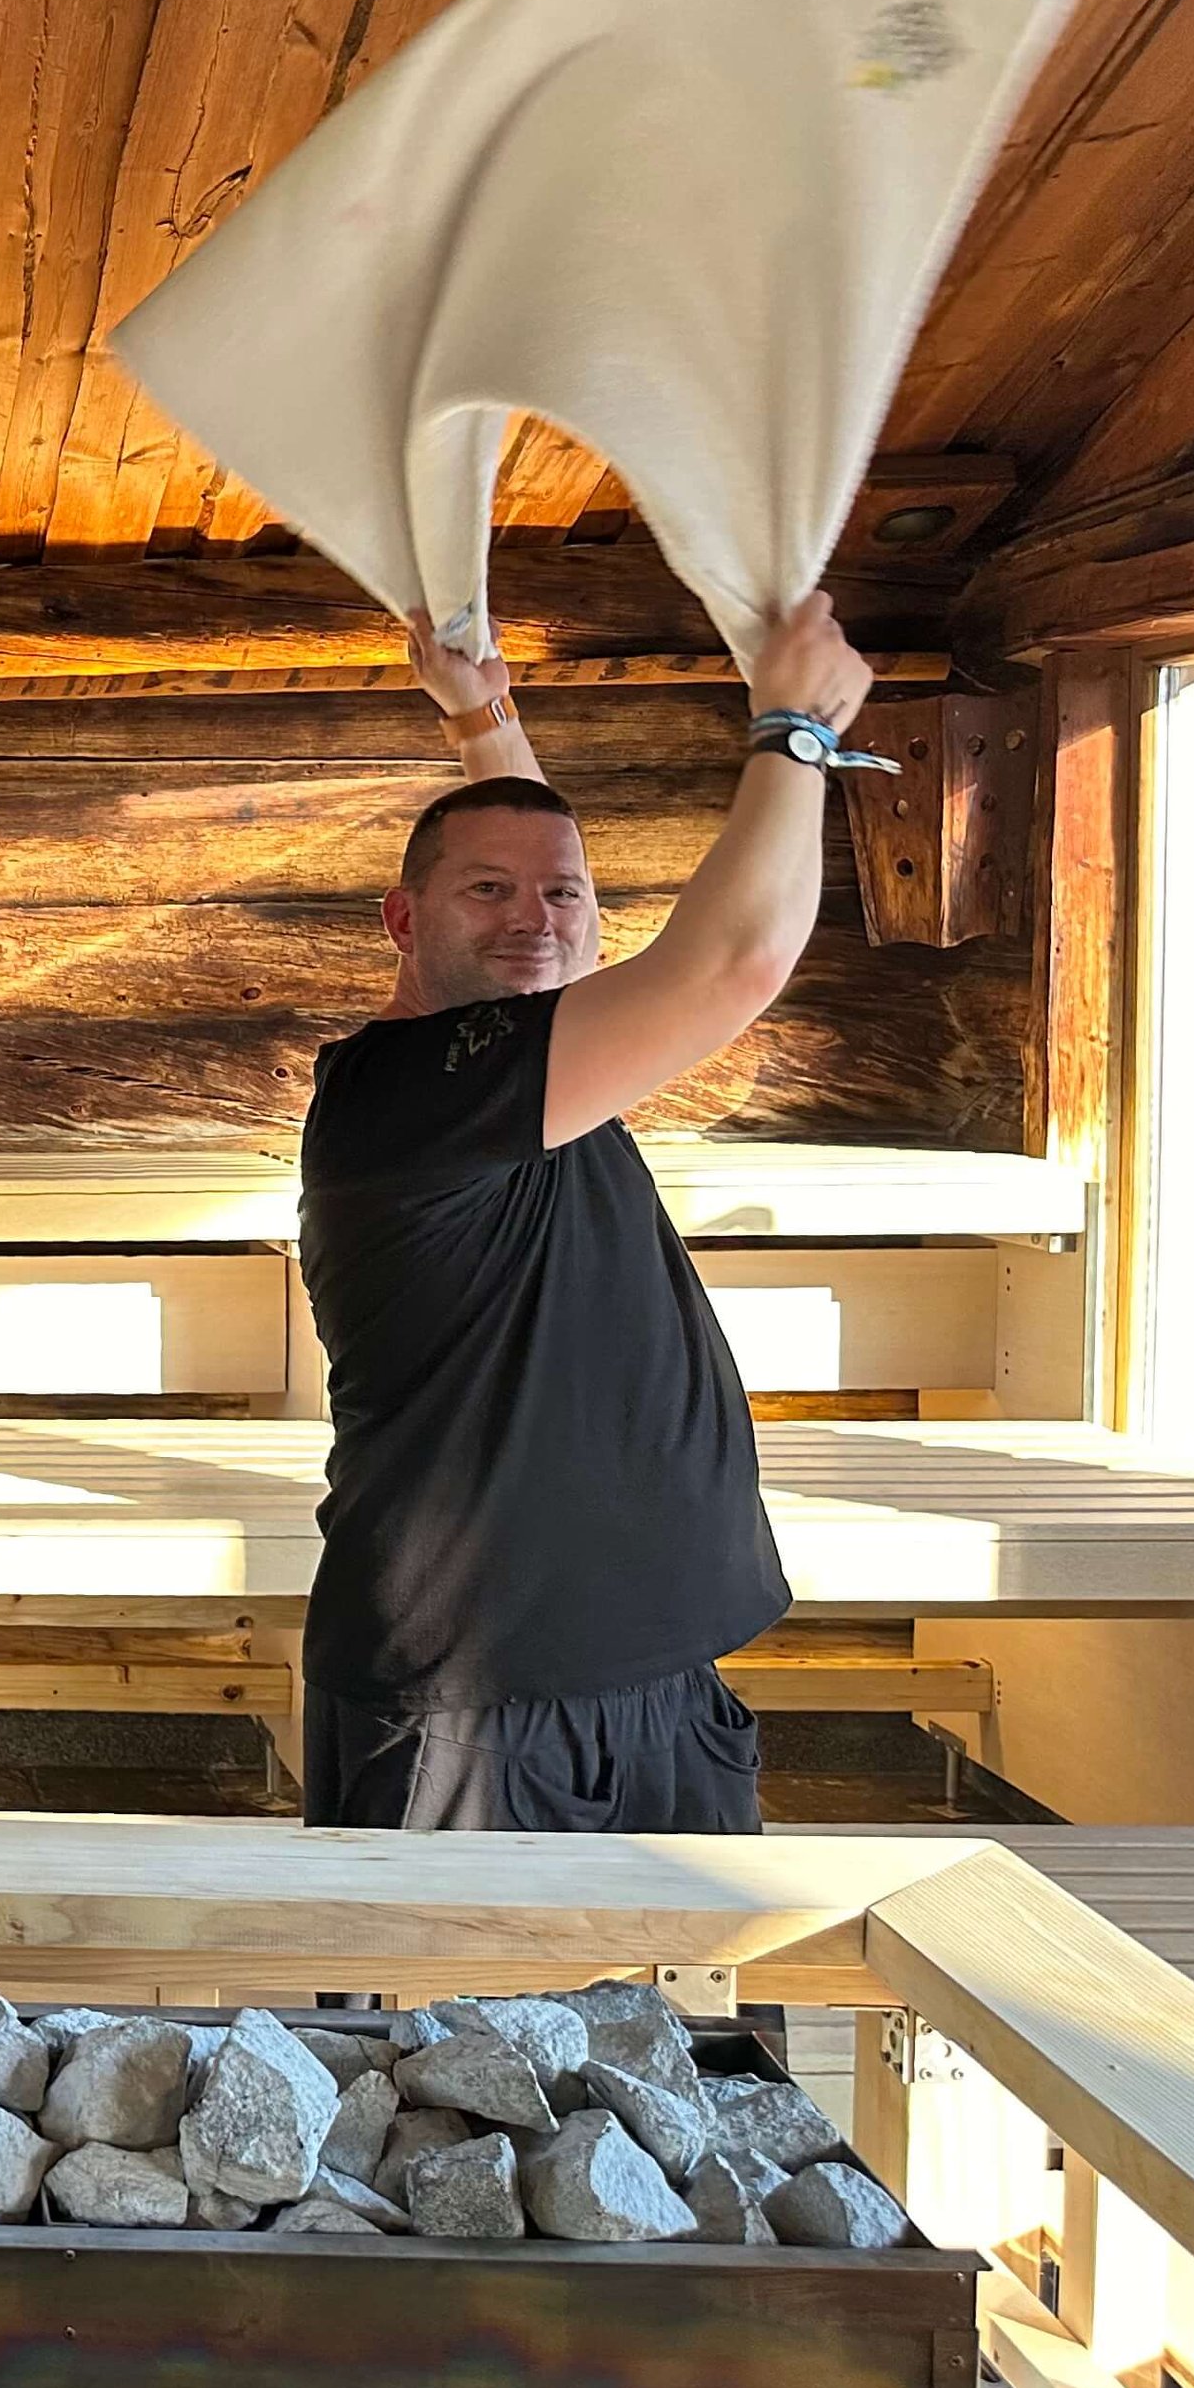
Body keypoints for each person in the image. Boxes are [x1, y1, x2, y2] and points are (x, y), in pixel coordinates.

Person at [294, 594, 880, 1831]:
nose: (536, 920)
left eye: (565, 899)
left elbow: (546, 912)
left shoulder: (529, 1070)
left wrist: (482, 717)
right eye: (484, 893)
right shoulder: (409, 1095)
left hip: (656, 1674)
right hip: (480, 1708)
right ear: (402, 921)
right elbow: (734, 964)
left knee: (700, 2032)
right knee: (459, 2033)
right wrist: (795, 733)